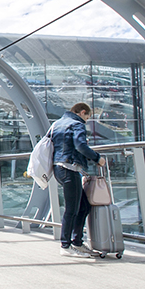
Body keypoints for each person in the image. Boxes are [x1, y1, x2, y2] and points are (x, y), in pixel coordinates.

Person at [51, 102, 105, 258]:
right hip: (69, 168)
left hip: (59, 168)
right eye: (87, 117)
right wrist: (97, 158)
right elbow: (80, 145)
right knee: (72, 209)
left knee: (83, 207)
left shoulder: (58, 123)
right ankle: (66, 245)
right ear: (82, 112)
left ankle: (77, 242)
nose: (87, 120)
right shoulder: (77, 124)